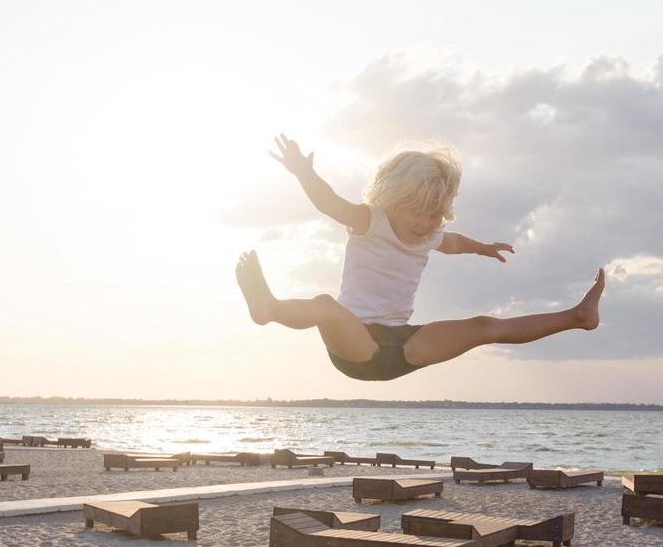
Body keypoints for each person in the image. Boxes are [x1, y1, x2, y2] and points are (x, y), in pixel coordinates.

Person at [236, 134, 603, 382]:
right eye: (419, 212)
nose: (427, 223)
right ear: (392, 200)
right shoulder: (369, 221)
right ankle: (268, 310)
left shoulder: (429, 235)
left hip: (404, 347)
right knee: (324, 306)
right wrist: (305, 173)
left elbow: (454, 242)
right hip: (356, 346)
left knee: (484, 326)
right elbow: (329, 202)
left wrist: (483, 248)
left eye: (436, 215)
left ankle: (578, 316)